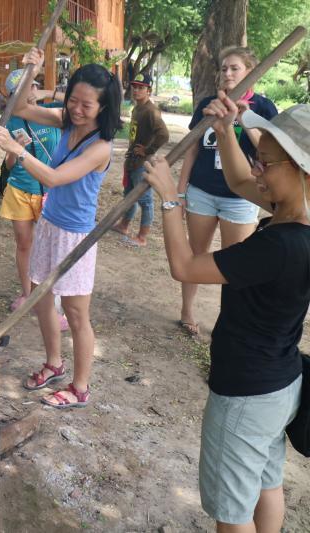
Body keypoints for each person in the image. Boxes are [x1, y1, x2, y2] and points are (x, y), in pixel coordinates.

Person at [144, 96, 309, 533]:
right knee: (265, 482)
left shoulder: (278, 246)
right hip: (279, 384)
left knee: (232, 513)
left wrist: (168, 198)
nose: (258, 169)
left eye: (268, 163)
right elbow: (238, 180)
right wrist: (224, 129)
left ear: (300, 170)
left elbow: (184, 266)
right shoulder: (298, 213)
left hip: (245, 394)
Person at [0, 49, 122, 407]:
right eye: (73, 101)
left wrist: (16, 148)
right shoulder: (66, 121)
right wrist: (31, 69)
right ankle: (53, 362)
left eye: (87, 105)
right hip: (49, 225)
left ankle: (80, 388)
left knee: (77, 314)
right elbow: (19, 108)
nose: (77, 110)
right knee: (40, 298)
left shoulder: (101, 147)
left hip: (76, 236)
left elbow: (53, 177)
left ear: (104, 108)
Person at [175, 47, 277, 337]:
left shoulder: (264, 108)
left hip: (242, 197)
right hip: (202, 192)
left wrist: (244, 118)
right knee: (196, 255)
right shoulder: (209, 103)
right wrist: (181, 192)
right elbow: (193, 149)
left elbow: (267, 152)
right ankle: (186, 311)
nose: (227, 74)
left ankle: (228, 321)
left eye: (234, 68)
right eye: (223, 68)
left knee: (235, 265)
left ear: (250, 72)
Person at [0, 69, 69, 332]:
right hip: (19, 188)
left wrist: (48, 92)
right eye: (20, 90)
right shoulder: (10, 120)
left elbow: (75, 102)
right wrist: (12, 148)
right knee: (24, 244)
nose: (27, 93)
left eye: (31, 87)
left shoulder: (53, 113)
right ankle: (27, 294)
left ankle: (55, 304)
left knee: (52, 246)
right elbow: (9, 163)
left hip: (49, 191)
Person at [111, 72, 169, 246]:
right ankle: (124, 225)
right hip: (133, 160)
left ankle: (142, 236)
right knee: (129, 195)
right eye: (134, 87)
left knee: (145, 200)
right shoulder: (137, 108)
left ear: (148, 90)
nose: (136, 90)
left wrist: (148, 150)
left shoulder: (151, 111)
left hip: (143, 163)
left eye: (141, 88)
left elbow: (163, 134)